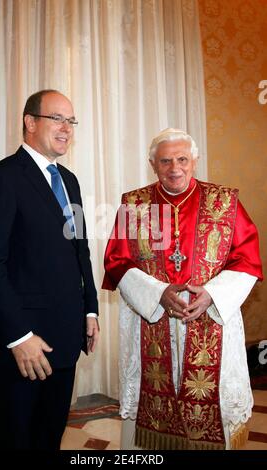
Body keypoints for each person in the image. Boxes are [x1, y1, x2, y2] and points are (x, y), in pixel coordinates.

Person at [102, 128, 263, 450]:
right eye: (165, 161)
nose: (174, 168)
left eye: (182, 159)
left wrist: (212, 295)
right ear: (152, 164)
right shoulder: (134, 205)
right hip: (153, 321)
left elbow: (247, 259)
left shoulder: (225, 201)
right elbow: (117, 261)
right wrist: (157, 292)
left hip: (210, 318)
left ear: (195, 160)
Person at [0, 89, 99, 450]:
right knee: (17, 440)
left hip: (67, 335)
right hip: (23, 347)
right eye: (57, 118)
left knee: (49, 436)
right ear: (30, 122)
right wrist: (18, 337)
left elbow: (80, 249)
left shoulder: (69, 180)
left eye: (70, 121)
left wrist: (90, 308)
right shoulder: (1, 178)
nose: (66, 128)